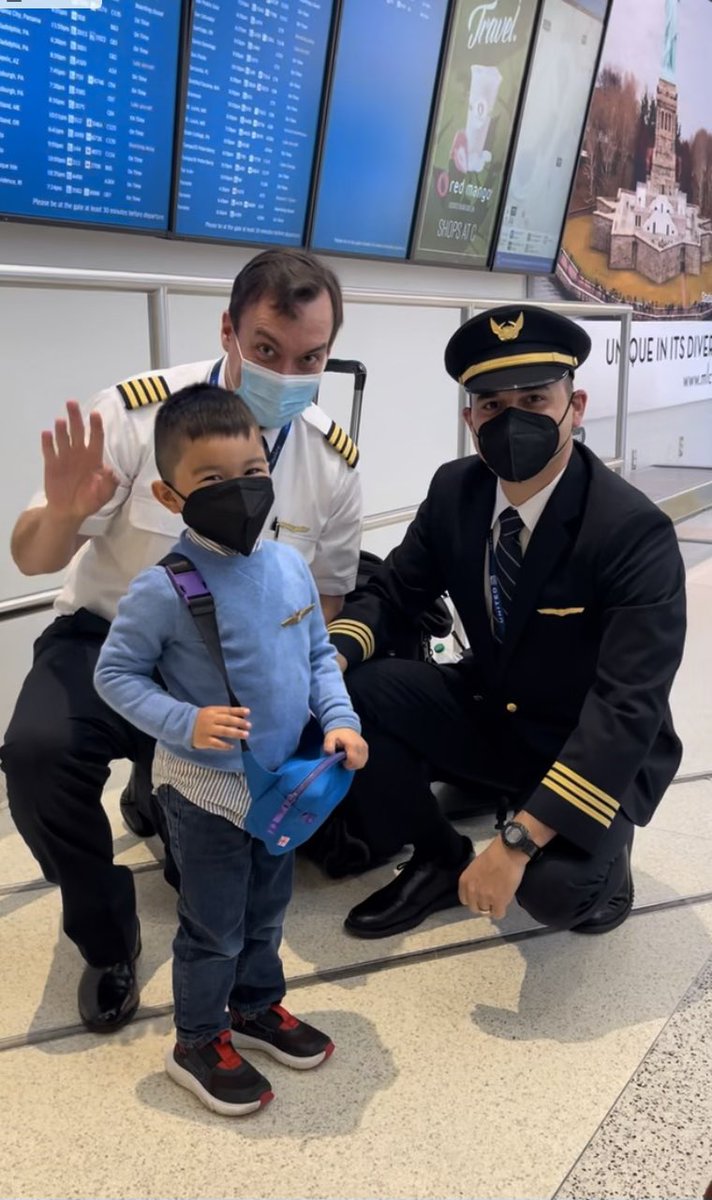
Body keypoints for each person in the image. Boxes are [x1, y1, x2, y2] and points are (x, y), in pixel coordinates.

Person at [1, 248, 362, 1033]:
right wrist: (63, 514)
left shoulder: (331, 461)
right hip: (110, 641)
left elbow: (326, 597)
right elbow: (31, 555)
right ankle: (107, 935)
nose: (287, 372)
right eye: (267, 349)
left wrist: (315, 706)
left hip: (234, 671)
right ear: (229, 331)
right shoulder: (136, 415)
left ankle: (155, 789)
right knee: (36, 756)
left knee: (285, 836)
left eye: (311, 358)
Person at [327, 304, 686, 939]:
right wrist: (331, 659)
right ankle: (439, 857)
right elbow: (394, 590)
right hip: (496, 711)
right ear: (470, 420)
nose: (512, 419)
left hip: (587, 744)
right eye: (492, 405)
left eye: (534, 398)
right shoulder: (455, 492)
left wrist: (518, 842)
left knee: (556, 895)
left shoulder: (630, 531)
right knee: (360, 691)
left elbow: (627, 708)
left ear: (575, 405)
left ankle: (604, 853)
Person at [94, 383, 367, 1115]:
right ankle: (197, 1038)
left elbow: (316, 658)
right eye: (212, 481)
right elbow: (113, 674)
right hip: (205, 791)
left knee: (269, 910)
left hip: (278, 784)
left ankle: (254, 1006)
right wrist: (185, 722)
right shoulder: (163, 587)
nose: (240, 493)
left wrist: (340, 720)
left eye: (252, 472)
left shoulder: (287, 566)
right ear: (169, 493)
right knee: (213, 923)